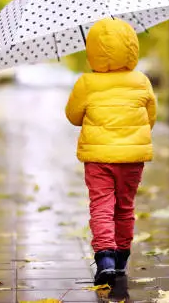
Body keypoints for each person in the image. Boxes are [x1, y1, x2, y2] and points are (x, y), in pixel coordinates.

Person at [65, 18, 156, 286]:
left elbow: (72, 116)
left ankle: (105, 258)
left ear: (92, 50)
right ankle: (122, 257)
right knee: (124, 207)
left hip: (98, 159)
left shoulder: (86, 83)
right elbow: (150, 117)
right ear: (131, 47)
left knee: (101, 206)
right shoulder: (141, 81)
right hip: (132, 159)